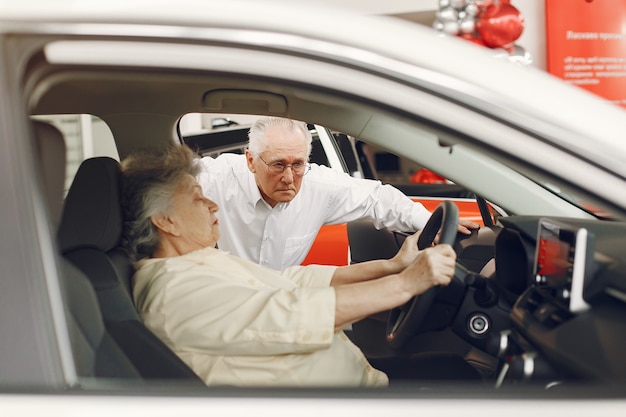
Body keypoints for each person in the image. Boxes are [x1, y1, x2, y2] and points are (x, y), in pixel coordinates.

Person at [121, 144, 458, 387]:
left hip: (359, 383)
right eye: (197, 198)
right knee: (459, 376)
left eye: (299, 164)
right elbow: (291, 313)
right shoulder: (174, 291)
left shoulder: (196, 262)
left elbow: (293, 282)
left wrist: (393, 266)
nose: (212, 205)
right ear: (165, 220)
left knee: (450, 369)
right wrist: (406, 284)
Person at [197, 116, 478, 270]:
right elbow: (164, 178)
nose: (288, 178)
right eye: (277, 165)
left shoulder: (320, 186)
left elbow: (377, 198)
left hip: (282, 301)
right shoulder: (217, 178)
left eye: (297, 165)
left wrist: (430, 223)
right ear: (250, 160)